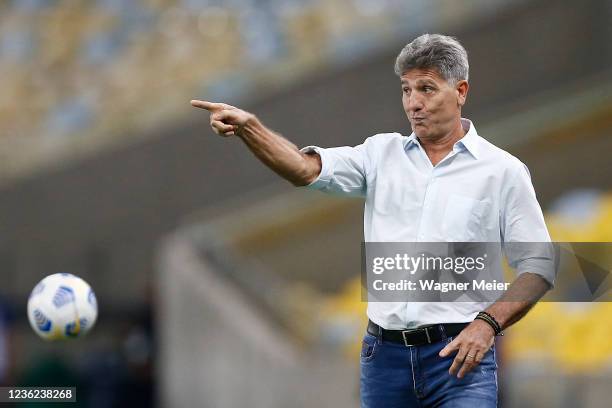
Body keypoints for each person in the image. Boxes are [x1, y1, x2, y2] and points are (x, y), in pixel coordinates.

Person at [191, 33, 555, 407]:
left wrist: (487, 325)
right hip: (385, 359)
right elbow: (303, 168)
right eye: (406, 90)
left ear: (460, 91)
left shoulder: (502, 171)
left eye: (427, 89)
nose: (413, 103)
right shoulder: (380, 154)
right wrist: (251, 128)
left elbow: (539, 265)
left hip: (460, 359)